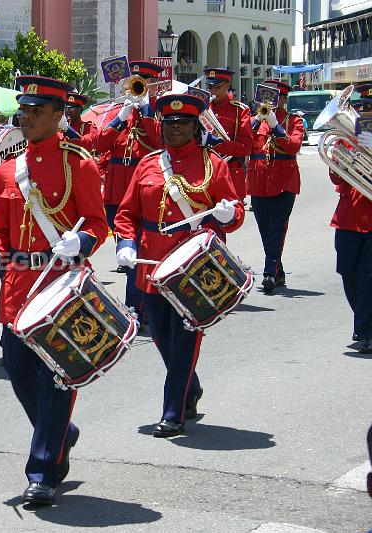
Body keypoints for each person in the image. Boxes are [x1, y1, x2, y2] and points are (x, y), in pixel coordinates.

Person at [0, 75, 108, 505]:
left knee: (57, 378)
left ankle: (42, 470)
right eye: (24, 111)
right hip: (19, 286)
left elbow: (96, 222)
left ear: (58, 115)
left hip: (63, 283)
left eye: (36, 112)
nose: (27, 118)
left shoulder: (80, 164)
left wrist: (83, 242)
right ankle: (60, 433)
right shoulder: (8, 168)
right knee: (16, 369)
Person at [113, 94, 244, 438]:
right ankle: (191, 387)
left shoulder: (213, 164)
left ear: (194, 126)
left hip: (194, 267)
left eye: (182, 124)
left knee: (186, 338)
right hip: (152, 264)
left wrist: (229, 215)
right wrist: (125, 244)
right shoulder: (148, 164)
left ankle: (173, 413)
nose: (174, 130)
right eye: (168, 124)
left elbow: (234, 212)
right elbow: (127, 214)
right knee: (159, 335)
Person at [76, 60, 164, 326]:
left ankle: (135, 307)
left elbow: (160, 142)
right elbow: (99, 143)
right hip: (116, 192)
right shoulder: (118, 112)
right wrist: (121, 116)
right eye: (136, 83)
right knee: (127, 255)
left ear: (152, 85)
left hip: (143, 190)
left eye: (144, 83)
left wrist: (146, 109)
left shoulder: (159, 113)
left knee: (137, 252)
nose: (138, 88)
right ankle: (142, 303)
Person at [247, 79, 304, 294]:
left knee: (277, 229)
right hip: (258, 182)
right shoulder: (255, 120)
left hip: (284, 182)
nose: (271, 102)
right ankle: (278, 270)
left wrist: (275, 126)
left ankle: (269, 272)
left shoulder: (294, 121)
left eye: (276, 97)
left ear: (283, 99)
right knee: (264, 230)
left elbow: (294, 146)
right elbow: (244, 142)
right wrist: (257, 121)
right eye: (267, 97)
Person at [332, 83, 372, 354]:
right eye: (361, 109)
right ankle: (365, 321)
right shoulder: (345, 139)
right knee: (347, 273)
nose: (364, 114)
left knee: (368, 277)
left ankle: (367, 330)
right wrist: (348, 154)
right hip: (348, 217)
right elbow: (335, 175)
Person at [201, 68, 253, 201]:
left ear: (227, 86)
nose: (212, 91)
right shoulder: (203, 109)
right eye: (210, 87)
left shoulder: (240, 111)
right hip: (205, 172)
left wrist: (218, 144)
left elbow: (245, 147)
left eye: (217, 87)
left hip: (230, 172)